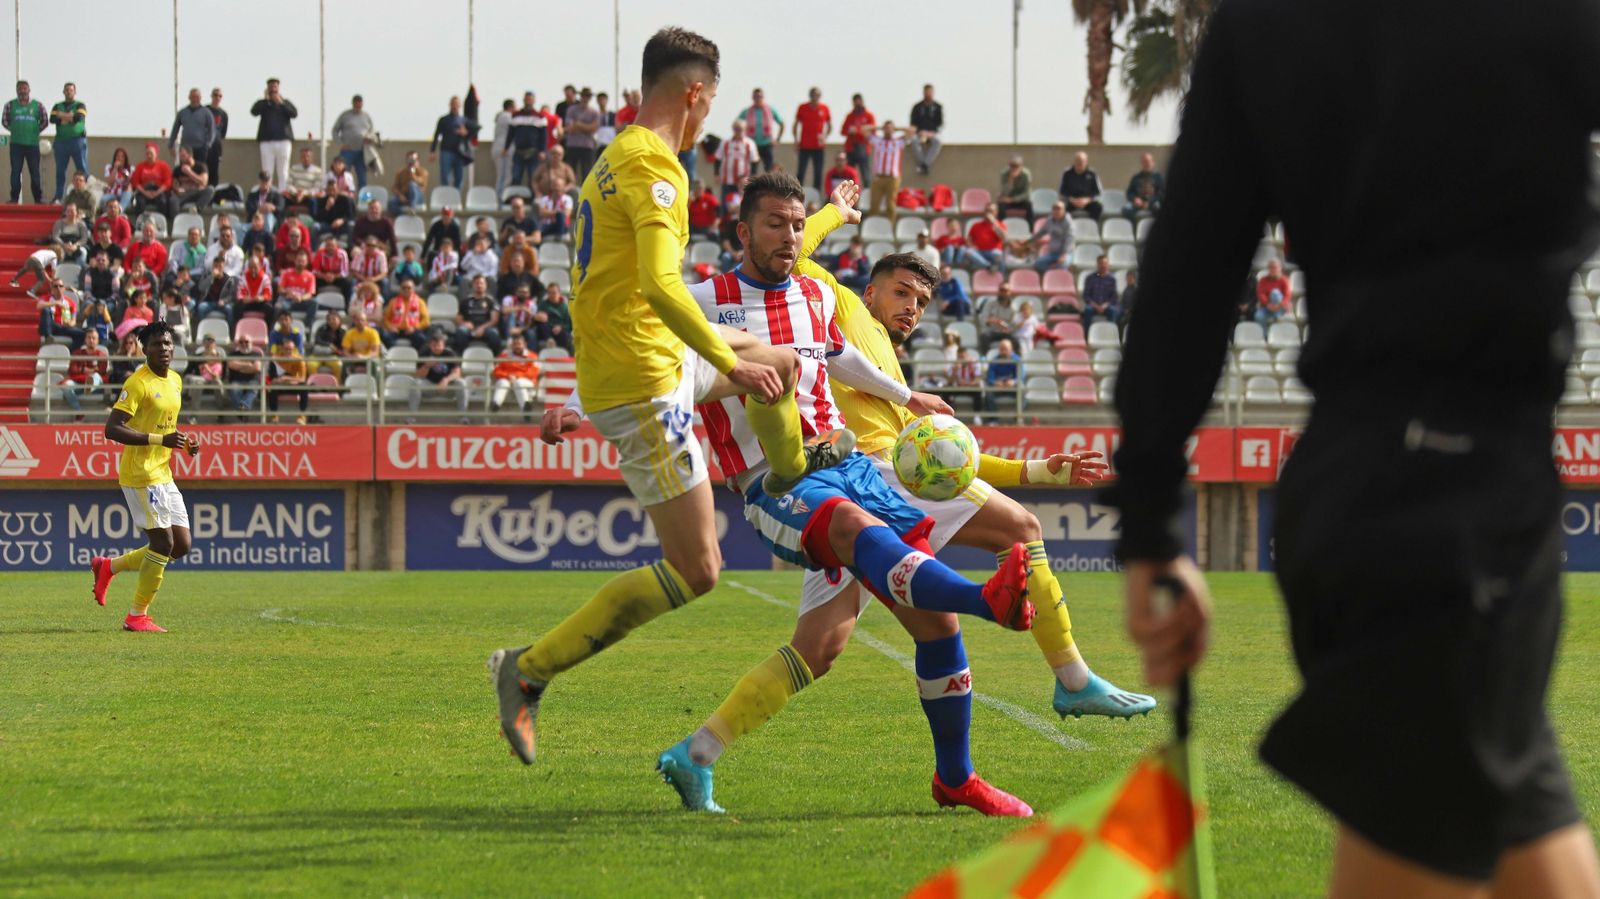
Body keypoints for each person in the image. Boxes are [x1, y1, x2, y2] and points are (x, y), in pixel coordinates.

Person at [1110, 4, 1600, 894]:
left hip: (1367, 488)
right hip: (1455, 511)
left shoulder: (1264, 25)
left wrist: (1148, 522)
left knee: (1540, 846)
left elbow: (1188, 272)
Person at [487, 29, 857, 769]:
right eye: (712, 100)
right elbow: (659, 284)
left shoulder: (613, 159)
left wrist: (828, 219)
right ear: (694, 93)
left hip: (651, 359)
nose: (709, 115)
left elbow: (631, 287)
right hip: (647, 383)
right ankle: (525, 670)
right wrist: (727, 361)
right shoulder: (658, 167)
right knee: (698, 569)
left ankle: (789, 468)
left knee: (782, 358)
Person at [88, 321, 199, 633]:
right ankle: (137, 616)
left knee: (181, 545)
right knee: (162, 542)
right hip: (140, 475)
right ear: (143, 349)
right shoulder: (138, 383)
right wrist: (157, 440)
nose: (163, 349)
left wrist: (184, 442)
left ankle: (108, 566)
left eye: (167, 344)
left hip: (163, 472)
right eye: (155, 345)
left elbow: (165, 425)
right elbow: (112, 429)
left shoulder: (175, 380)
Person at [251, 78, 299, 191]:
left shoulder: (285, 102)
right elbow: (254, 111)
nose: (273, 89)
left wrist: (281, 103)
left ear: (278, 88)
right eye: (271, 87)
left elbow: (294, 113)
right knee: (267, 172)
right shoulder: (263, 103)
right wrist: (265, 100)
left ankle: (282, 195)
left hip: (283, 141)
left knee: (283, 171)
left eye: (275, 87)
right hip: (267, 142)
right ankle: (267, 195)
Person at [409, 330, 468, 419]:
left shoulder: (450, 354)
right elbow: (418, 375)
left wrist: (446, 380)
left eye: (439, 345)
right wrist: (426, 366)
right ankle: (412, 417)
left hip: (447, 387)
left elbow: (457, 373)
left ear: (443, 345)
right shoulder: (424, 353)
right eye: (434, 345)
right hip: (430, 386)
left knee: (461, 383)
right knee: (415, 383)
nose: (436, 347)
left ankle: (463, 416)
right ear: (429, 345)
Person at [4, 79, 46, 203]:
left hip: (32, 144)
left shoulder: (37, 105)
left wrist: (35, 131)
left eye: (25, 88)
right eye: (20, 88)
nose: (23, 90)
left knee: (35, 173)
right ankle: (14, 198)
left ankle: (38, 199)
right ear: (17, 90)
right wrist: (15, 130)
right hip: (16, 144)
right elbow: (5, 121)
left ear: (29, 90)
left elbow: (45, 121)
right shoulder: (10, 105)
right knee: (15, 172)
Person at [266, 310, 309, 423]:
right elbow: (274, 379)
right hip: (281, 384)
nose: (284, 322)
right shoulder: (275, 360)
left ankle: (302, 416)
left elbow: (302, 378)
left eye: (287, 319)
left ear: (291, 321)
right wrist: (283, 380)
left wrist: (287, 379)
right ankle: (274, 415)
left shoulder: (299, 359)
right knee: (272, 389)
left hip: (292, 382)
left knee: (304, 387)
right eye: (282, 319)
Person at [49, 82, 88, 204]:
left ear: (74, 92)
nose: (69, 92)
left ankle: (85, 196)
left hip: (78, 141)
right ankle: (59, 197)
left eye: (71, 90)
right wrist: (70, 117)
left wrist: (62, 117)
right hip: (61, 142)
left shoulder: (80, 105)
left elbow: (79, 118)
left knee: (82, 169)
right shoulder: (57, 105)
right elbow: (53, 119)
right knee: (60, 171)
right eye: (66, 90)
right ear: (63, 92)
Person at [58, 327, 108, 418]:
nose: (91, 340)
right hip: (79, 384)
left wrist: (84, 370)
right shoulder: (77, 353)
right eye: (89, 337)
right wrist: (85, 370)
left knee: (96, 376)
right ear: (85, 339)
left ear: (98, 340)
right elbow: (72, 370)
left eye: (94, 338)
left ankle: (90, 386)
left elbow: (102, 371)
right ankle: (79, 412)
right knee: (65, 386)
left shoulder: (102, 356)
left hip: (97, 388)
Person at [866, 121, 910, 225]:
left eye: (890, 128)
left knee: (890, 205)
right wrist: (879, 127)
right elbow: (864, 129)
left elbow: (912, 131)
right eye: (886, 128)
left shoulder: (899, 141)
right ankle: (872, 226)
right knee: (874, 204)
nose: (888, 130)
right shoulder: (877, 140)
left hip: (893, 178)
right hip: (878, 177)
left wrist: (897, 128)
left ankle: (891, 226)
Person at [490, 330, 539, 418]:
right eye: (515, 344)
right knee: (503, 382)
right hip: (508, 380)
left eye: (519, 344)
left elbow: (533, 372)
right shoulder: (504, 355)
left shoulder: (532, 356)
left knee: (519, 383)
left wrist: (516, 377)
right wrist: (508, 376)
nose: (517, 346)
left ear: (524, 344)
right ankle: (495, 404)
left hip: (527, 382)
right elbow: (496, 371)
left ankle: (526, 409)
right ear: (511, 345)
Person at [737, 87, 785, 174]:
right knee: (752, 170)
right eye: (756, 96)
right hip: (752, 144)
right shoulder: (747, 111)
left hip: (767, 144)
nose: (758, 98)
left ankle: (768, 187)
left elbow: (781, 123)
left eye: (760, 96)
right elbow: (737, 123)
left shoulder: (770, 110)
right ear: (753, 97)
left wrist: (778, 139)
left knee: (769, 169)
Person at [430, 95, 473, 191]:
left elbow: (473, 131)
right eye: (453, 104)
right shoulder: (444, 120)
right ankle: (445, 198)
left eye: (457, 104)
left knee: (459, 178)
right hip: (446, 151)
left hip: (460, 153)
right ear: (450, 105)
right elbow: (437, 135)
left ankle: (455, 199)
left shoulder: (464, 120)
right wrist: (432, 151)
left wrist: (465, 133)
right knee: (444, 177)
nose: (455, 106)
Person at [792, 87, 831, 192]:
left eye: (817, 94)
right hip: (804, 145)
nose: (815, 97)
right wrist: (796, 140)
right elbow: (796, 125)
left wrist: (824, 137)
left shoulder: (824, 108)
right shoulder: (803, 107)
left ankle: (816, 194)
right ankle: (797, 192)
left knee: (818, 172)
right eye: (813, 94)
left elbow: (829, 125)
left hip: (818, 147)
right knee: (801, 171)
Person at [332, 94, 375, 189]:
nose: (358, 105)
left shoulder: (366, 116)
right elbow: (335, 130)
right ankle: (342, 197)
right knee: (342, 176)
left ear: (362, 104)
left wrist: (370, 139)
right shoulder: (345, 115)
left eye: (359, 103)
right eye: (356, 103)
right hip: (347, 151)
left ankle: (362, 201)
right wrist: (340, 144)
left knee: (362, 178)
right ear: (353, 103)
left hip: (362, 151)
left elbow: (372, 132)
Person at [168, 88, 216, 170]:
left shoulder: (206, 112)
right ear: (189, 97)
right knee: (184, 170)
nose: (194, 99)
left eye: (196, 97)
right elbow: (175, 129)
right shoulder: (183, 112)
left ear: (200, 98)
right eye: (192, 96)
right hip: (185, 148)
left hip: (201, 148)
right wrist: (171, 145)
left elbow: (212, 130)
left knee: (200, 169)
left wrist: (208, 144)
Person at [454, 275, 502, 353]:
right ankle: (461, 358)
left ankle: (494, 360)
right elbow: (458, 318)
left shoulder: (491, 301)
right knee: (460, 332)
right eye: (476, 283)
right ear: (472, 286)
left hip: (486, 328)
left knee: (494, 334)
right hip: (470, 329)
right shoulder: (465, 301)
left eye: (481, 283)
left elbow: (494, 320)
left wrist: (482, 328)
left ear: (486, 286)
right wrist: (464, 323)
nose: (479, 285)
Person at [716, 119, 758, 207]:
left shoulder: (749, 143)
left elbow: (755, 161)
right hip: (728, 180)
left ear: (745, 129)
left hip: (743, 182)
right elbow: (718, 158)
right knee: (726, 205)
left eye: (740, 129)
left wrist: (753, 178)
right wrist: (716, 174)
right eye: (736, 129)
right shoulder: (726, 143)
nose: (738, 131)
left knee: (745, 205)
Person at [563, 87, 601, 184]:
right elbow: (570, 127)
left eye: (588, 96)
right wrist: (586, 127)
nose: (585, 98)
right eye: (584, 95)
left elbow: (594, 128)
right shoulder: (571, 109)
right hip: (572, 145)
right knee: (570, 172)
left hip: (588, 146)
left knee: (587, 173)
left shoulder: (594, 112)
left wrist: (578, 124)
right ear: (581, 96)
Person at [128, 143, 173, 221]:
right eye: (147, 153)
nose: (149, 155)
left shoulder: (163, 166)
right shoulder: (140, 166)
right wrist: (145, 193)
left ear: (156, 154)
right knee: (140, 202)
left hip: (158, 191)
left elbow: (168, 182)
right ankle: (140, 222)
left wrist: (156, 193)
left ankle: (162, 222)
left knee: (163, 202)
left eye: (151, 153)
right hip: (144, 191)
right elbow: (135, 182)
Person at [382, 278, 430, 349]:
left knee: (421, 339)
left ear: (413, 289)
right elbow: (385, 318)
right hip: (396, 330)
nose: (406, 290)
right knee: (386, 337)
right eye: (403, 288)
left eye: (409, 288)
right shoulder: (393, 301)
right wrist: (390, 327)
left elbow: (426, 321)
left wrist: (415, 328)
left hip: (412, 329)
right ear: (400, 289)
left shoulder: (420, 302)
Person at [840, 94, 876, 187]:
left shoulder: (869, 116)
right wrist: (850, 131)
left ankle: (867, 192)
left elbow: (873, 132)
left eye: (859, 101)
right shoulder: (850, 116)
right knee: (850, 174)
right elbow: (843, 131)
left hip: (863, 147)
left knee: (865, 173)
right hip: (851, 148)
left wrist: (858, 131)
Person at [37, 277, 84, 348]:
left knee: (82, 334)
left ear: (64, 288)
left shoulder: (70, 302)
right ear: (52, 289)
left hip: (62, 327)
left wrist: (70, 324)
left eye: (60, 286)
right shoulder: (46, 298)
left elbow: (74, 320)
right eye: (55, 286)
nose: (58, 288)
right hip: (49, 326)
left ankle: (70, 354)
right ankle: (48, 337)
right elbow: (39, 306)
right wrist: (55, 303)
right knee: (46, 310)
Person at [224, 331, 263, 412]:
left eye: (246, 341)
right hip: (236, 380)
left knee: (253, 388)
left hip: (252, 380)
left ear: (251, 343)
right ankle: (243, 408)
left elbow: (256, 368)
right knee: (234, 390)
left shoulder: (256, 354)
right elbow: (231, 365)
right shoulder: (232, 354)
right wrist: (248, 365)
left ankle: (242, 407)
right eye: (241, 342)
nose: (244, 344)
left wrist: (239, 367)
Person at [1031, 201, 1074, 273]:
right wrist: (1031, 240)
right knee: (1038, 263)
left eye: (1059, 209)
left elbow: (1069, 239)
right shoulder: (1050, 220)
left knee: (1062, 265)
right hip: (1053, 253)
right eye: (1054, 209)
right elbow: (1042, 231)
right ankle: (1052, 274)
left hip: (1066, 253)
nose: (1056, 211)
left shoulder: (1069, 223)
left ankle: (1061, 277)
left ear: (1064, 210)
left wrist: (1064, 255)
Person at [908, 84, 943, 175]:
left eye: (930, 92)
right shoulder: (917, 107)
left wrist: (932, 132)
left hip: (932, 133)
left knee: (937, 142)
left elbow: (940, 123)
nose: (928, 94)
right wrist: (919, 132)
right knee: (914, 142)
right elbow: (913, 123)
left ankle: (925, 164)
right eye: (926, 92)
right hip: (920, 133)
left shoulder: (937, 107)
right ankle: (922, 163)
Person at [1059, 151, 1103, 221]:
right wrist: (1072, 200)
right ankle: (1065, 228)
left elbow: (1098, 192)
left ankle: (1092, 227)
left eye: (1082, 161)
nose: (1079, 163)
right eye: (1077, 160)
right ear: (1074, 161)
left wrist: (1087, 200)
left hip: (1087, 202)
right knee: (1060, 208)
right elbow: (1062, 191)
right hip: (1071, 201)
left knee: (1098, 207)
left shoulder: (1092, 174)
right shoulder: (1067, 173)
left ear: (1086, 162)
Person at [277, 249, 317, 324]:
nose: (300, 263)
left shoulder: (310, 276)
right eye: (299, 260)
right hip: (288, 300)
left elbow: (310, 293)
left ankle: (307, 326)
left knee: (314, 303)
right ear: (295, 261)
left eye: (303, 261)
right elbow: (280, 289)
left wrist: (301, 298)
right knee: (280, 306)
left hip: (301, 301)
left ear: (306, 263)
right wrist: (288, 293)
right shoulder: (286, 273)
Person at [171, 145, 212, 213]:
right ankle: (175, 220)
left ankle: (196, 209)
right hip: (184, 193)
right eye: (180, 156)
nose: (181, 159)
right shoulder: (177, 169)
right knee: (173, 201)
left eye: (183, 156)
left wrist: (190, 173)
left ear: (190, 155)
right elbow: (174, 186)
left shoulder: (201, 166)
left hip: (197, 192)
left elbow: (204, 182)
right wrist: (179, 190)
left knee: (210, 189)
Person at [983, 337, 1021, 411]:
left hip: (1012, 387)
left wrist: (1013, 382)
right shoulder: (994, 361)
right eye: (1001, 349)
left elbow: (1021, 376)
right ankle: (993, 420)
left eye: (1005, 349)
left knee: (1022, 389)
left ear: (1011, 349)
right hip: (998, 387)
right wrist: (995, 382)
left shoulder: (1017, 360)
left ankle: (1018, 417)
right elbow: (990, 378)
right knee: (988, 392)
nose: (1003, 352)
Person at [966, 204, 1007, 271]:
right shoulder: (976, 225)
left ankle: (1001, 278)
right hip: (979, 251)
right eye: (987, 211)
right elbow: (968, 239)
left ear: (996, 213)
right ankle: (988, 266)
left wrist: (994, 222)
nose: (988, 213)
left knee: (999, 257)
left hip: (994, 251)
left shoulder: (1000, 224)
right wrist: (971, 245)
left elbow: (1004, 238)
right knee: (968, 252)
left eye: (991, 211)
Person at [340, 310, 382, 375]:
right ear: (354, 321)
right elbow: (345, 351)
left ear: (366, 322)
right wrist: (352, 357)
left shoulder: (373, 332)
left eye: (362, 320)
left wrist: (364, 357)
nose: (360, 322)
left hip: (369, 358)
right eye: (357, 320)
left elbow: (375, 352)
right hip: (354, 358)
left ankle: (376, 384)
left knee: (374, 365)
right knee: (344, 364)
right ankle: (344, 384)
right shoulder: (349, 333)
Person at [1080, 255, 1119, 325]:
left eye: (1105, 263)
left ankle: (1111, 333)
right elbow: (1086, 296)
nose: (1103, 265)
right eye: (1101, 263)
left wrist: (1105, 305)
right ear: (1097, 264)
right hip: (1093, 306)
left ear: (1108, 265)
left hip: (1106, 306)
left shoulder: (1112, 279)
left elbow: (1114, 297)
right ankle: (1086, 334)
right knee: (1087, 310)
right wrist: (1096, 306)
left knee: (1113, 311)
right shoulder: (1090, 278)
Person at [1125, 152, 1164, 220]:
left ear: (1153, 163)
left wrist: (1150, 202)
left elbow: (1161, 194)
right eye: (1144, 162)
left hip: (1153, 203)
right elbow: (1129, 192)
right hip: (1138, 203)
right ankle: (1134, 229)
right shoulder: (1136, 177)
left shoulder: (1158, 177)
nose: (1147, 164)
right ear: (1142, 163)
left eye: (1148, 161)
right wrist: (1135, 199)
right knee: (1126, 210)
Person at [284, 147, 322, 214]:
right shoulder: (294, 168)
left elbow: (317, 188)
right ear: (300, 158)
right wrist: (296, 192)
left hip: (308, 196)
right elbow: (288, 184)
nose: (306, 158)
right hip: (295, 194)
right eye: (303, 156)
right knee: (283, 199)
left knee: (313, 201)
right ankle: (282, 222)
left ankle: (314, 222)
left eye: (308, 156)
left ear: (312, 158)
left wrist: (303, 193)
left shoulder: (317, 171)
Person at [312, 233, 351, 298]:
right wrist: (324, 276)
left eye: (332, 245)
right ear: (325, 246)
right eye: (328, 245)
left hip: (337, 278)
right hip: (323, 277)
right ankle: (314, 303)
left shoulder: (342, 254)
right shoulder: (320, 253)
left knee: (348, 284)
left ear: (336, 246)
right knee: (313, 282)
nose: (330, 248)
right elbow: (315, 271)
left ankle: (346, 306)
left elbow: (345, 272)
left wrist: (334, 276)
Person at [1255, 258, 1292, 325]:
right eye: (1271, 267)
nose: (1273, 270)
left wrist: (1280, 305)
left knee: (1275, 293)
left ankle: (1277, 315)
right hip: (1267, 306)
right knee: (1258, 316)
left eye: (1275, 267)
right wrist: (1268, 304)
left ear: (1280, 268)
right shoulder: (1263, 280)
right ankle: (1265, 334)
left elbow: (1287, 295)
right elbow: (1261, 294)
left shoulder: (1284, 280)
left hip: (1281, 307)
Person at [390, 151, 428, 216]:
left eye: (413, 160)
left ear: (418, 161)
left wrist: (412, 172)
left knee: (412, 184)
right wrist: (400, 195)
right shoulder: (400, 172)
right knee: (391, 202)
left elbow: (421, 182)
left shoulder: (423, 172)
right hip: (405, 197)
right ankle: (403, 215)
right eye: (409, 160)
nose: (411, 162)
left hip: (417, 197)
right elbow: (394, 188)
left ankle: (412, 208)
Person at [204, 88, 228, 187]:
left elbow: (223, 132)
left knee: (214, 172)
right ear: (211, 96)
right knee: (203, 171)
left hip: (216, 147)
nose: (217, 97)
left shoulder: (223, 114)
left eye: (219, 96)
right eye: (215, 95)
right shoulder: (205, 110)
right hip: (204, 146)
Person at [997, 155, 1033, 220]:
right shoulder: (1004, 173)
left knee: (1029, 205)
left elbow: (1027, 194)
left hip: (1020, 200)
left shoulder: (1026, 174)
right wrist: (1010, 180)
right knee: (1001, 206)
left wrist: (1012, 200)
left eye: (1016, 166)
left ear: (1021, 166)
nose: (1014, 168)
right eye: (1012, 165)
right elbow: (1004, 192)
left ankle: (1030, 229)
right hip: (1007, 200)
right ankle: (1001, 226)